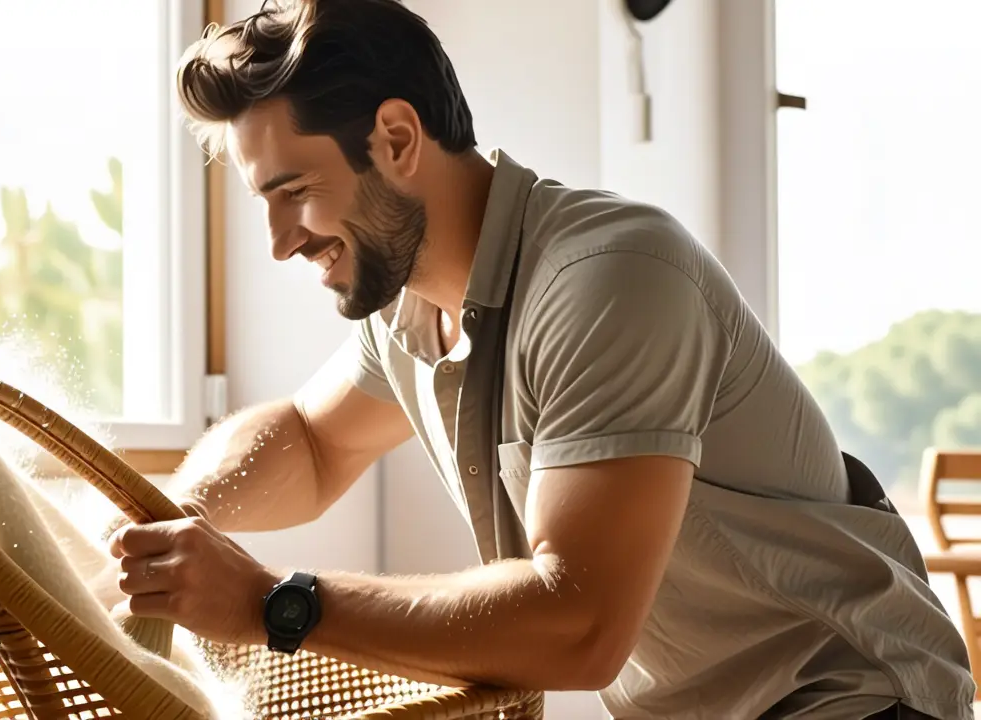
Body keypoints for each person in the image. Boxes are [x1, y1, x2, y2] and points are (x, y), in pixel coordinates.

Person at [107, 1, 976, 717]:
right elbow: (311, 439)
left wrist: (272, 605)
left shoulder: (607, 279)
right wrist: (169, 516)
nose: (277, 242)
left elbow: (580, 624)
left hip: (857, 704)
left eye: (292, 192)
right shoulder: (409, 305)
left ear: (398, 140)